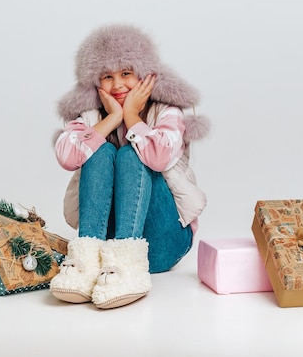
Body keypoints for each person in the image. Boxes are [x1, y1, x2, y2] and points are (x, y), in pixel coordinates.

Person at [49, 24, 209, 309]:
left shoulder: (167, 111)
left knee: (131, 154)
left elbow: (159, 157)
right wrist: (110, 120)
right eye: (107, 76)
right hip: (104, 251)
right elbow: (67, 156)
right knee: (100, 152)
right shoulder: (89, 115)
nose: (118, 85)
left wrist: (133, 117)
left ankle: (129, 266)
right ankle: (86, 263)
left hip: (164, 240)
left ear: (145, 75)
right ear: (94, 81)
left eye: (126, 73)